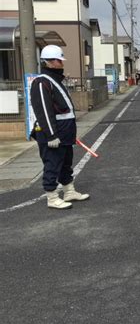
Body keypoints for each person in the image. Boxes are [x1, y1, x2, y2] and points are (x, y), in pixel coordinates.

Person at [30, 45, 90, 210]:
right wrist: (51, 135)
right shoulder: (42, 82)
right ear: (49, 61)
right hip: (53, 134)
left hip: (64, 133)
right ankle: (52, 197)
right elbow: (43, 112)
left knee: (65, 163)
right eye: (58, 60)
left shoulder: (55, 80)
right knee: (52, 164)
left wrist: (69, 133)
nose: (61, 63)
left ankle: (69, 191)